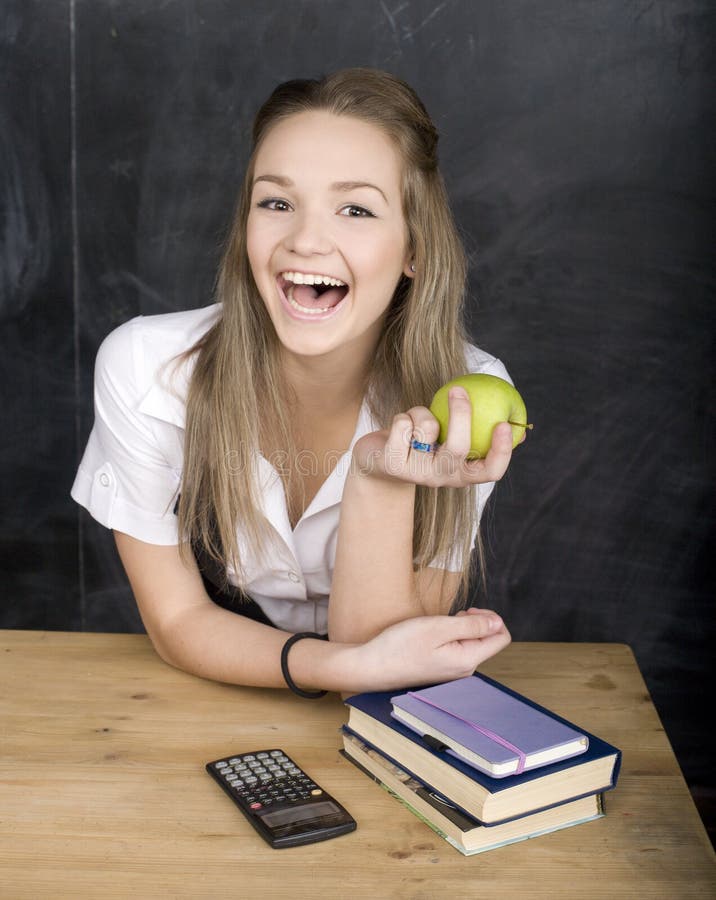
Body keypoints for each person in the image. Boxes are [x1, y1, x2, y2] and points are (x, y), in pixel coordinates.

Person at [71, 68, 518, 698]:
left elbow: (382, 671)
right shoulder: (147, 368)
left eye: (356, 209)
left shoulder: (467, 394)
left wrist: (378, 477)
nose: (306, 240)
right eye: (276, 202)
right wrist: (337, 668)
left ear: (414, 247)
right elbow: (177, 622)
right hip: (202, 700)